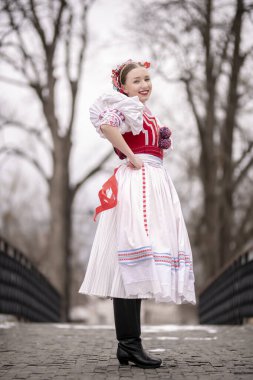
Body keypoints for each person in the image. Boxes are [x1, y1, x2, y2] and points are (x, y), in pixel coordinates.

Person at [79, 59, 196, 369]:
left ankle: (128, 344)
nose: (144, 84)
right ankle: (130, 343)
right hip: (138, 184)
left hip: (152, 181)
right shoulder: (124, 105)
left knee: (135, 262)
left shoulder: (142, 110)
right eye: (137, 80)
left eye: (147, 78)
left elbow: (135, 135)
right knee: (134, 256)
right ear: (123, 86)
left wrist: (157, 142)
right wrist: (131, 156)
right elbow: (107, 126)